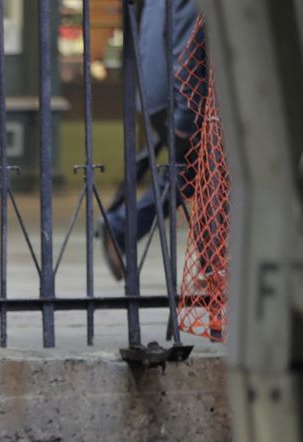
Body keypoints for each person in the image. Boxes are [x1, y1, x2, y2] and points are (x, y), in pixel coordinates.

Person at [102, 0, 203, 279]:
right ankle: (214, 268)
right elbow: (186, 47)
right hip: (177, 98)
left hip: (159, 95)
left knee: (190, 173)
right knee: (208, 174)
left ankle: (122, 228)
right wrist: (185, 115)